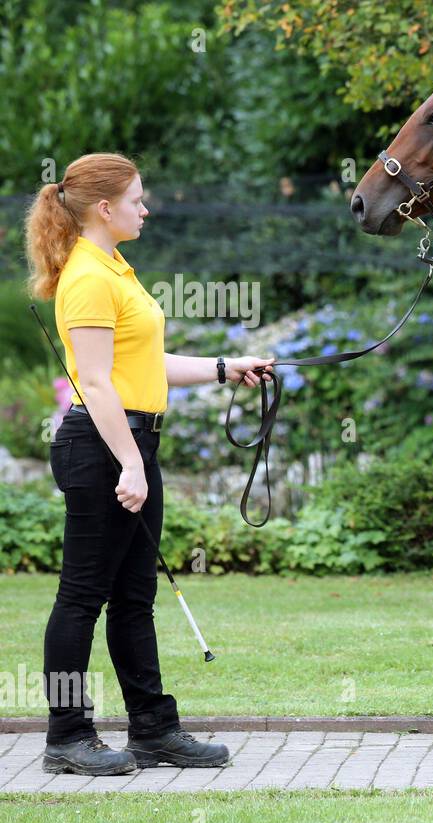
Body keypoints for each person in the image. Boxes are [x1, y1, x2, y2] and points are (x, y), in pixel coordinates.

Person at [24, 152, 276, 776]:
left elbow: (142, 366)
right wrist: (129, 464)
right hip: (102, 448)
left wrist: (225, 367)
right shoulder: (86, 275)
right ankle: (67, 736)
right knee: (81, 596)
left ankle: (154, 731)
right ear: (105, 208)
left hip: (131, 444)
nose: (147, 207)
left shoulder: (116, 268)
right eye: (138, 199)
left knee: (134, 597)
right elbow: (97, 383)